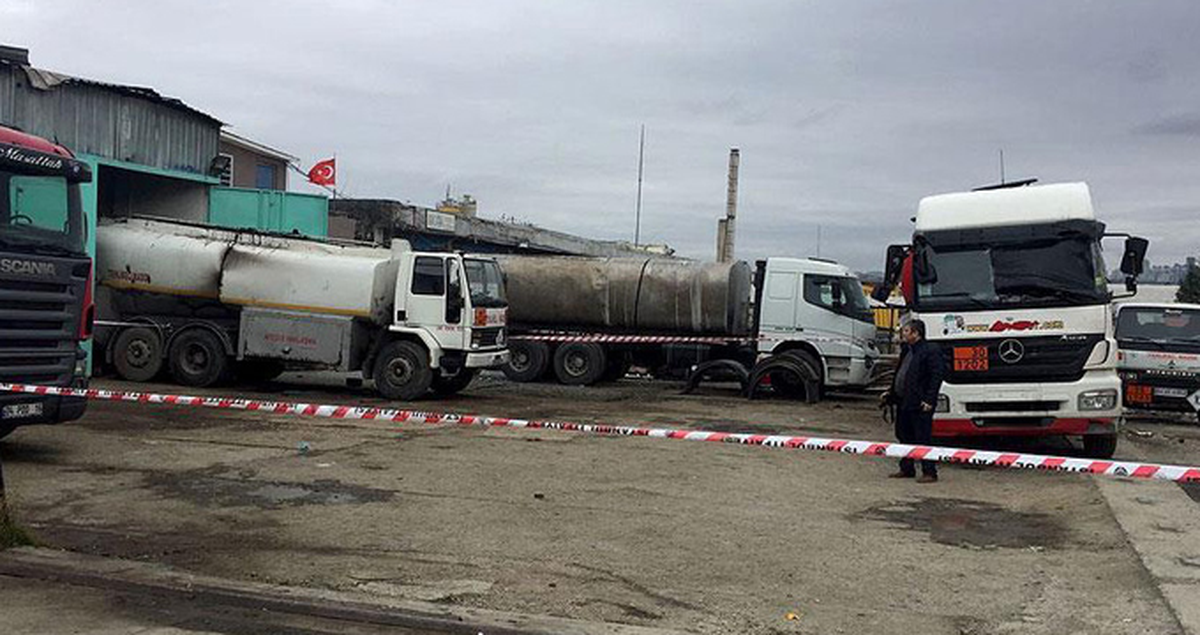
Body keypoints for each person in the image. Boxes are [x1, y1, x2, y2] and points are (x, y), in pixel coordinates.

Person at [883, 319, 946, 483]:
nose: (902, 334)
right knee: (903, 434)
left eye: (906, 331)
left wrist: (929, 399)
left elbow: (936, 376)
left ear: (916, 333)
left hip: (920, 403)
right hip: (904, 401)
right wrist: (891, 393)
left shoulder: (930, 351)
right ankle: (907, 468)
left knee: (923, 437)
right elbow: (900, 373)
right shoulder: (907, 350)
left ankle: (929, 472)